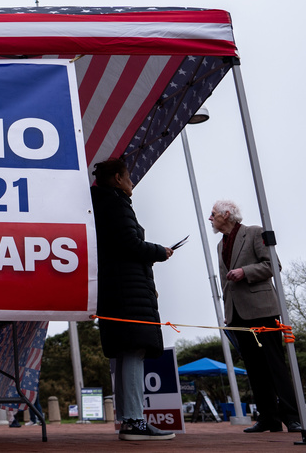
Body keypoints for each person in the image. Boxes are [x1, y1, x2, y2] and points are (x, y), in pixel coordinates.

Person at [92, 157, 175, 442]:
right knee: (134, 351)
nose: (132, 183)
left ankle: (131, 419)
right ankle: (135, 420)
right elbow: (129, 244)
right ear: (117, 178)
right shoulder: (116, 204)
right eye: (128, 177)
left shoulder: (103, 204)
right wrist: (159, 251)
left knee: (129, 353)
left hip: (121, 289)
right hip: (126, 292)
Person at [209, 200, 302, 434]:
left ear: (227, 214)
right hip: (237, 316)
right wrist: (228, 313)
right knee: (254, 369)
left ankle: (292, 417)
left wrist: (245, 271)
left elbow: (273, 265)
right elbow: (225, 283)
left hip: (262, 310)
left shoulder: (254, 232)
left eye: (213, 214)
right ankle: (269, 419)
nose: (210, 219)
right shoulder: (220, 246)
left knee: (275, 366)